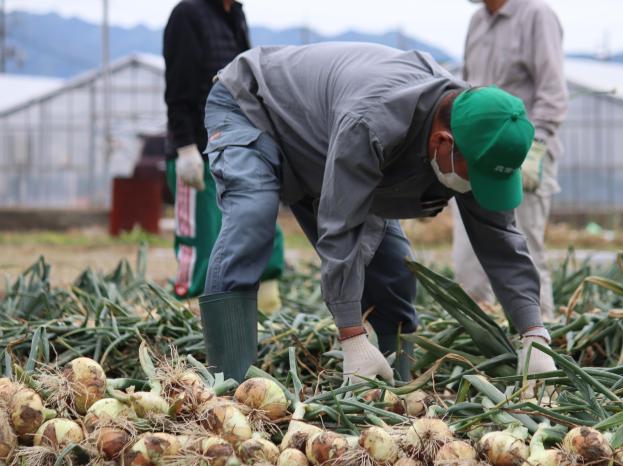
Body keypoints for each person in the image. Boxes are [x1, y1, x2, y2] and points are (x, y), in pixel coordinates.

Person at [197, 43, 557, 385]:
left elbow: (502, 243)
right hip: (254, 107)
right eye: (474, 178)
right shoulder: (373, 122)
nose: (478, 190)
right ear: (442, 142)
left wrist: (533, 334)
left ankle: (390, 386)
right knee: (252, 217)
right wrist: (351, 336)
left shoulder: (480, 132)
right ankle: (229, 385)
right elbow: (341, 228)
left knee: (392, 272)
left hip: (322, 139)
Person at [162, 0, 284, 308]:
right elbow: (178, 89)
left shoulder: (235, 14)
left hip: (240, 146)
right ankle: (192, 319)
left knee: (261, 226)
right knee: (202, 240)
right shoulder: (188, 14)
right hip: (197, 150)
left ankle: (265, 310)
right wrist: (185, 148)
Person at [452, 0, 567, 320]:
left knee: (524, 249)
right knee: (467, 260)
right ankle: (475, 340)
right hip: (475, 158)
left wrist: (535, 148)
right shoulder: (478, 21)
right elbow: (467, 91)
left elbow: (553, 92)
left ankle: (539, 341)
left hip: (521, 157)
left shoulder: (536, 15)